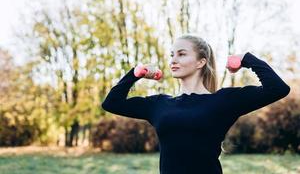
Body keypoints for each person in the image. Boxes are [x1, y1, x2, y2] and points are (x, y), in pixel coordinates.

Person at [101, 34, 290, 174]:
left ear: (201, 62)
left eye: (181, 54)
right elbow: (112, 103)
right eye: (172, 55)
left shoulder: (224, 101)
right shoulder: (159, 104)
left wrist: (246, 59)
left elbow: (278, 88)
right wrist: (134, 74)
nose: (173, 60)